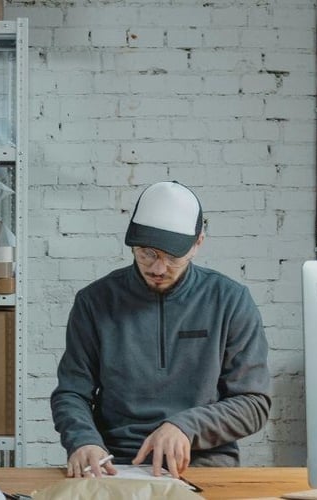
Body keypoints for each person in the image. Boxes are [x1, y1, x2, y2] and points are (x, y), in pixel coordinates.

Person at [50, 181, 271, 481]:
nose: (157, 268)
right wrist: (84, 440)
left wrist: (186, 426)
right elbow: (72, 392)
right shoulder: (95, 301)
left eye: (172, 257)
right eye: (147, 254)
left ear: (198, 243)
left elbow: (254, 403)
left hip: (204, 465)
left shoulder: (230, 301)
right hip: (116, 465)